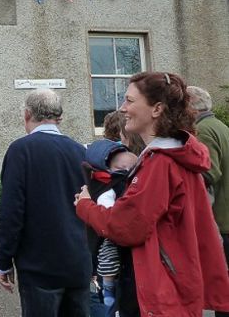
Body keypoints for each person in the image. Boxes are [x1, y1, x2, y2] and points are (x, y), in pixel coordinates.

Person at [75, 72, 229, 316]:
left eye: (129, 100)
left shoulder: (161, 163)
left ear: (156, 109)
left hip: (161, 291)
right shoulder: (174, 154)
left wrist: (85, 205)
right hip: (173, 286)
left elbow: (126, 226)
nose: (123, 108)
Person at [0, 88, 91, 317]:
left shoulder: (21, 150)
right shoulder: (81, 152)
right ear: (59, 116)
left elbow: (11, 211)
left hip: (39, 266)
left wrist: (4, 260)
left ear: (27, 114)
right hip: (78, 261)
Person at [81, 139, 136, 316]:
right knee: (109, 284)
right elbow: (109, 219)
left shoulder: (101, 187)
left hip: (111, 252)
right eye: (122, 169)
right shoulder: (107, 191)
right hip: (110, 251)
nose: (128, 173)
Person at [188, 85, 229, 317]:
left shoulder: (203, 130)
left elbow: (210, 173)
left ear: (191, 108)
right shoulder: (220, 126)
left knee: (222, 289)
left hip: (221, 220)